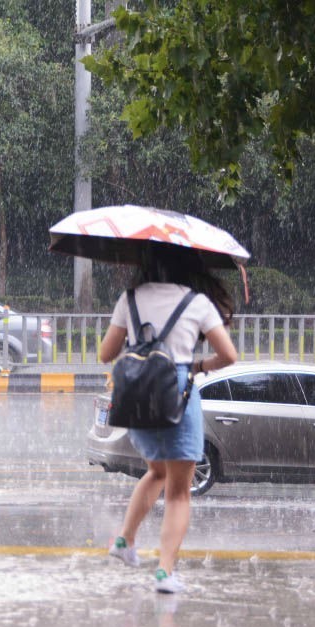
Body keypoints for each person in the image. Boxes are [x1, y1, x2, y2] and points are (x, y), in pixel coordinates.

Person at [98, 250, 238, 593]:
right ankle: (164, 572)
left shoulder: (129, 298)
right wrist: (196, 365)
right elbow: (229, 356)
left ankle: (125, 540)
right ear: (189, 268)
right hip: (176, 391)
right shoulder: (197, 302)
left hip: (137, 394)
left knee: (156, 471)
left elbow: (106, 353)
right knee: (178, 493)